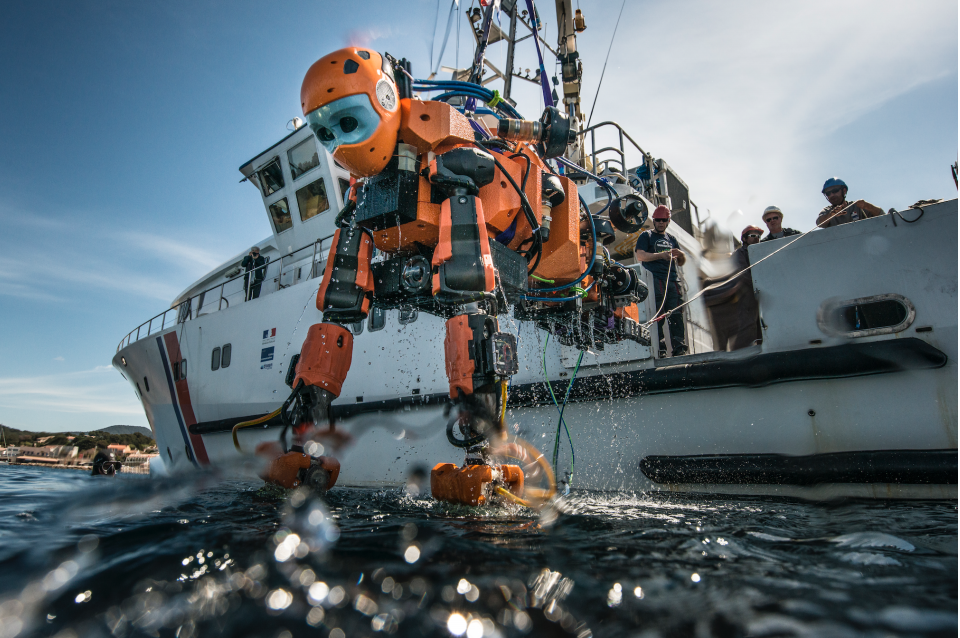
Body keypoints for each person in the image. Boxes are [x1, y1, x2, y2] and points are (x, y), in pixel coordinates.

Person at [634, 205, 688, 357]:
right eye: (658, 220)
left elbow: (681, 262)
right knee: (658, 314)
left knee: (676, 313)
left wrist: (681, 255)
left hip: (672, 280)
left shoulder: (672, 239)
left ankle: (679, 347)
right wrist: (661, 255)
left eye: (664, 220)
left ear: (668, 221)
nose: (660, 223)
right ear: (654, 220)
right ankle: (660, 348)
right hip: (655, 279)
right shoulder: (647, 236)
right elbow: (641, 256)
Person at [704, 226, 763, 351]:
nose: (757, 239)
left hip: (757, 296)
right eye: (753, 236)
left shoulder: (760, 253)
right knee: (748, 326)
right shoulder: (739, 255)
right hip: (745, 298)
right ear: (745, 238)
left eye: (758, 236)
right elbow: (743, 273)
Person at [816, 178, 883, 228]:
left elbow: (882, 215)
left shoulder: (857, 206)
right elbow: (820, 223)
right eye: (828, 193)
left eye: (835, 191)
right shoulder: (827, 211)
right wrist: (831, 215)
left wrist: (867, 206)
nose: (831, 195)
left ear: (844, 191)